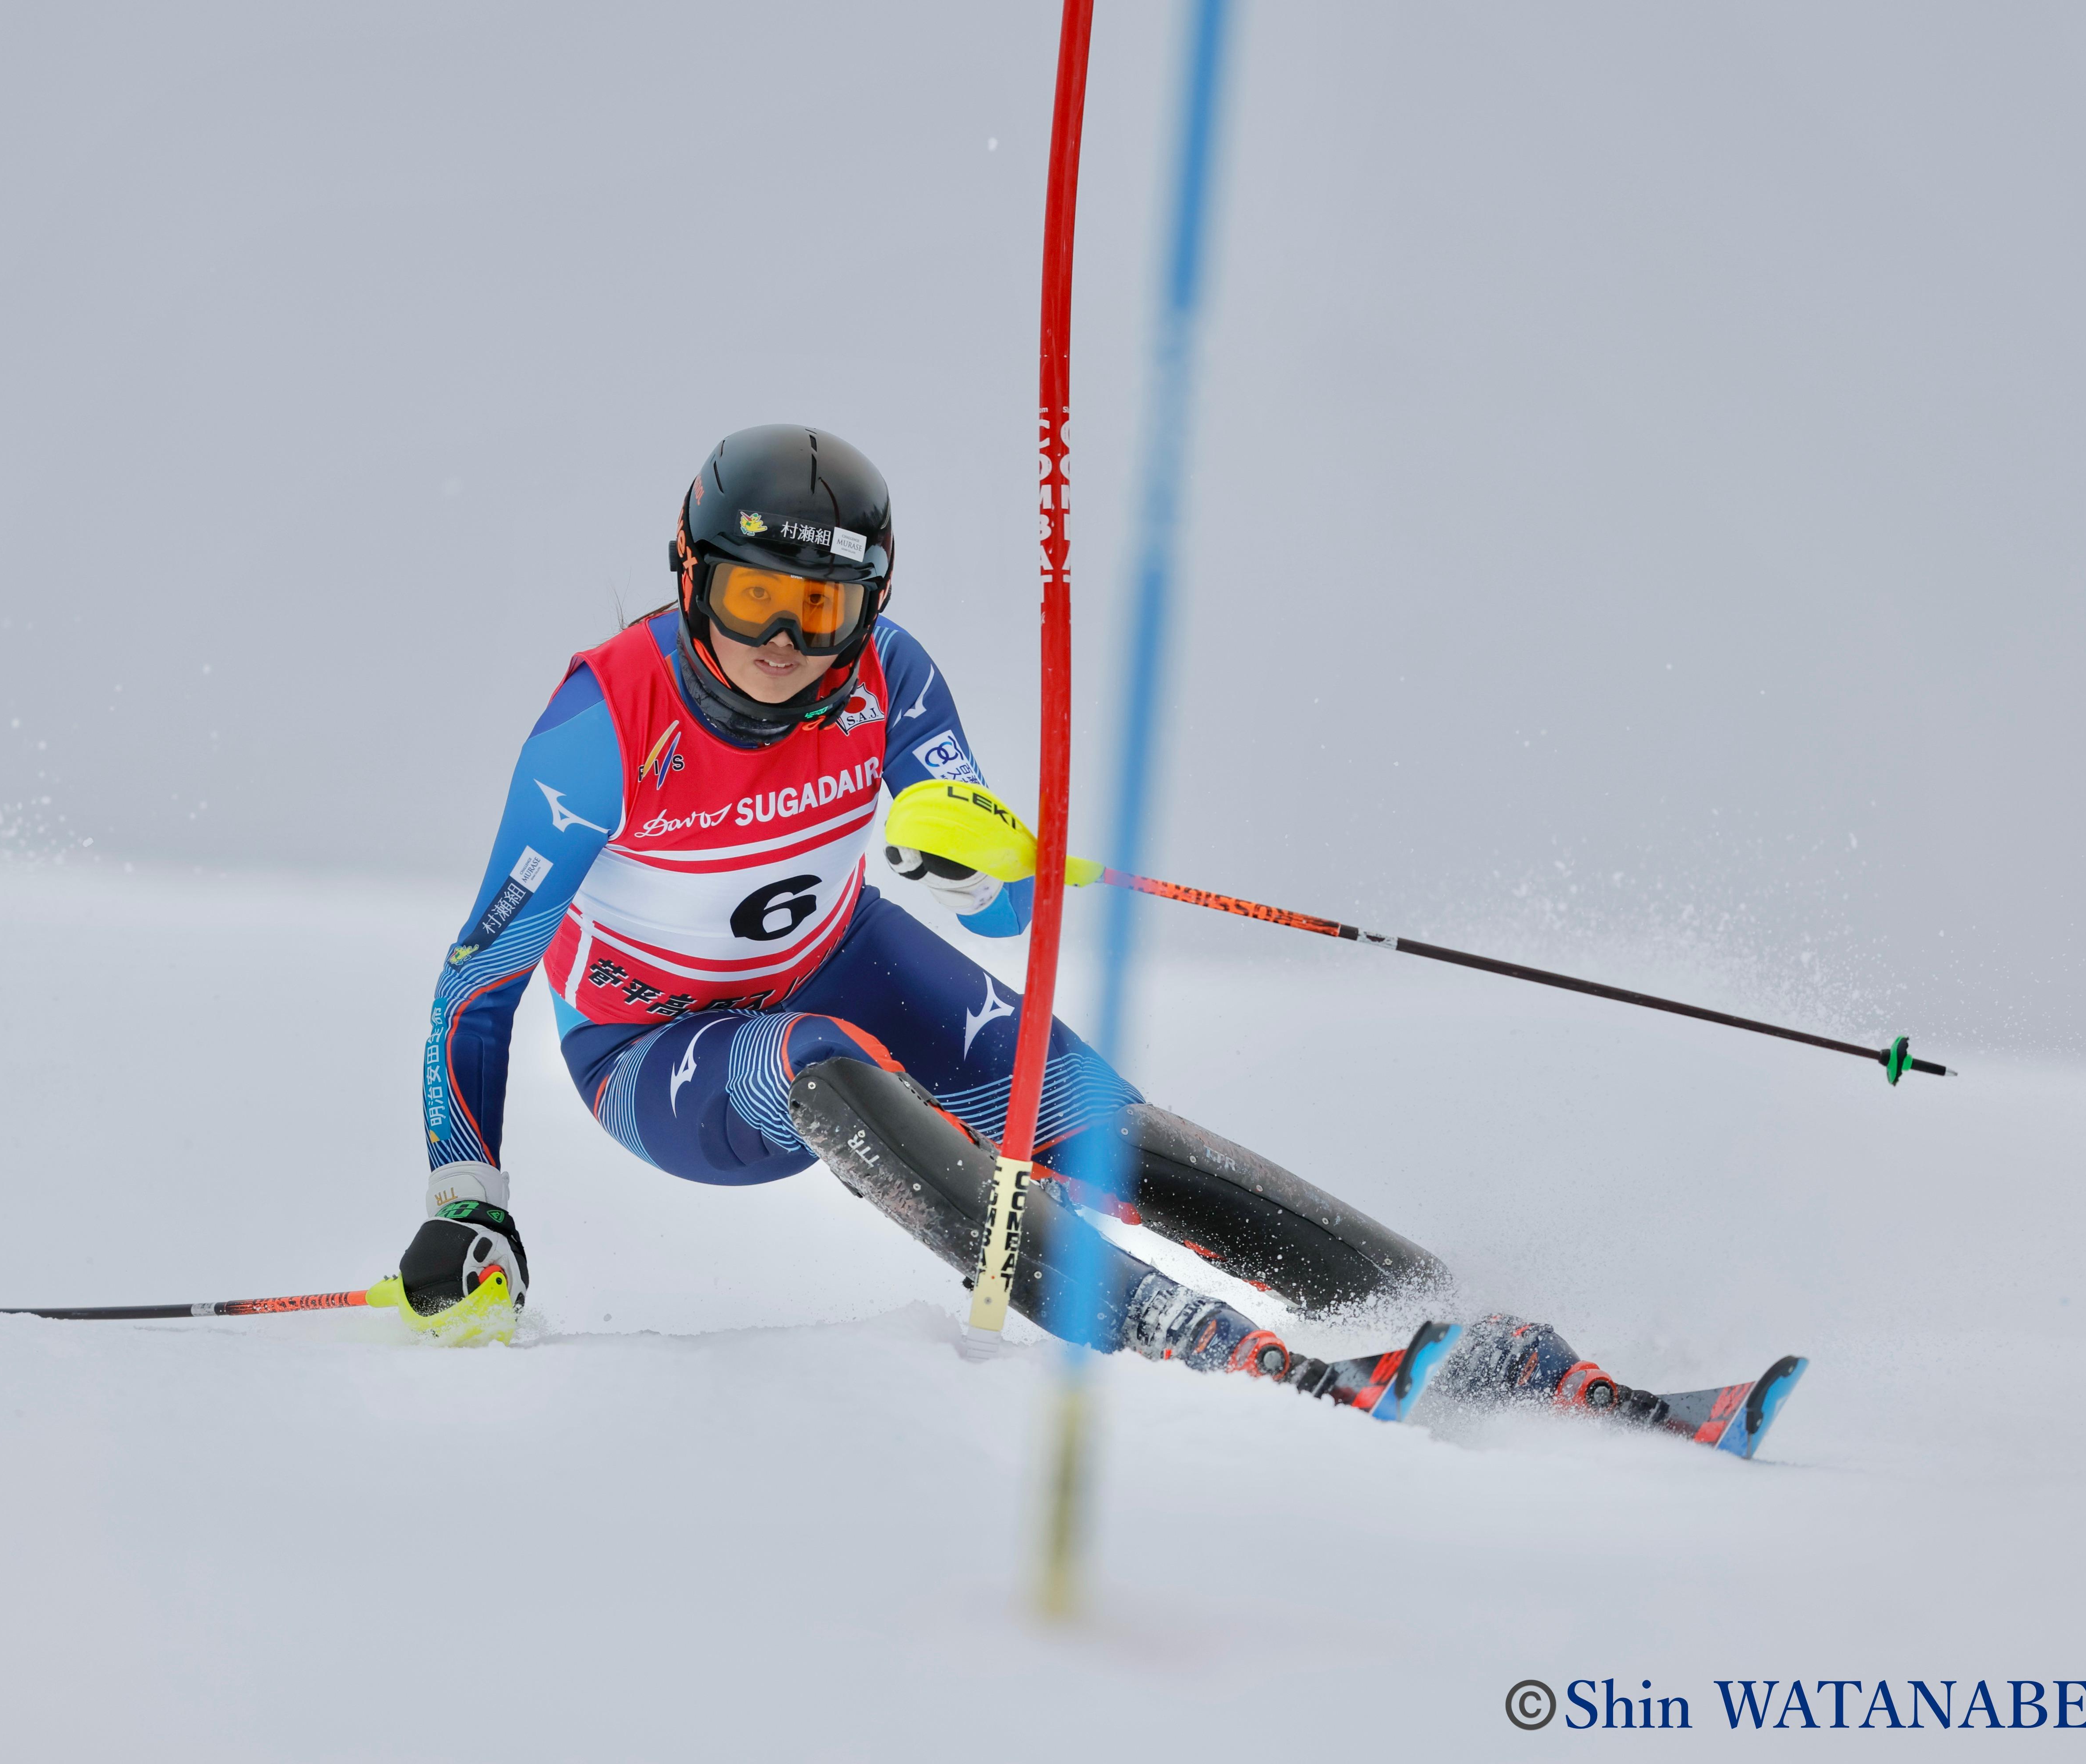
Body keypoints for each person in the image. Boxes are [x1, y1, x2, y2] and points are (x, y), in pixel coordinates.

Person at [378, 422, 1670, 1427]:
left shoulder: (895, 681)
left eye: (816, 611)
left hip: (841, 955)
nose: (778, 641)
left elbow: (996, 895)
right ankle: (1169, 1327)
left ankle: (1456, 1325)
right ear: (689, 573)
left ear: (867, 611)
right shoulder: (603, 726)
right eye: (748, 596)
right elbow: (475, 982)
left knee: (1093, 1120)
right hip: (659, 1052)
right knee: (820, 1055)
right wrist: (467, 1200)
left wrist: (985, 864)